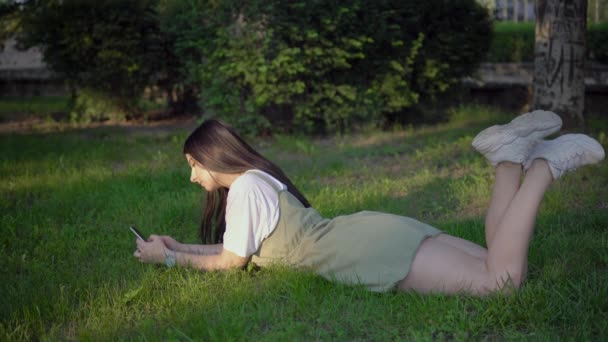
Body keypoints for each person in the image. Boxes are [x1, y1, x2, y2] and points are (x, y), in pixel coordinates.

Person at [134, 110, 605, 295]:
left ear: (214, 159)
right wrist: (176, 247)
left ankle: (543, 167)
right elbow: (233, 250)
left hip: (366, 251)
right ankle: (507, 160)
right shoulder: (255, 182)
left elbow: (233, 261)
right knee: (495, 259)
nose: (193, 176)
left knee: (501, 281)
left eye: (194, 165)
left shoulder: (243, 190)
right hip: (365, 235)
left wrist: (172, 261)